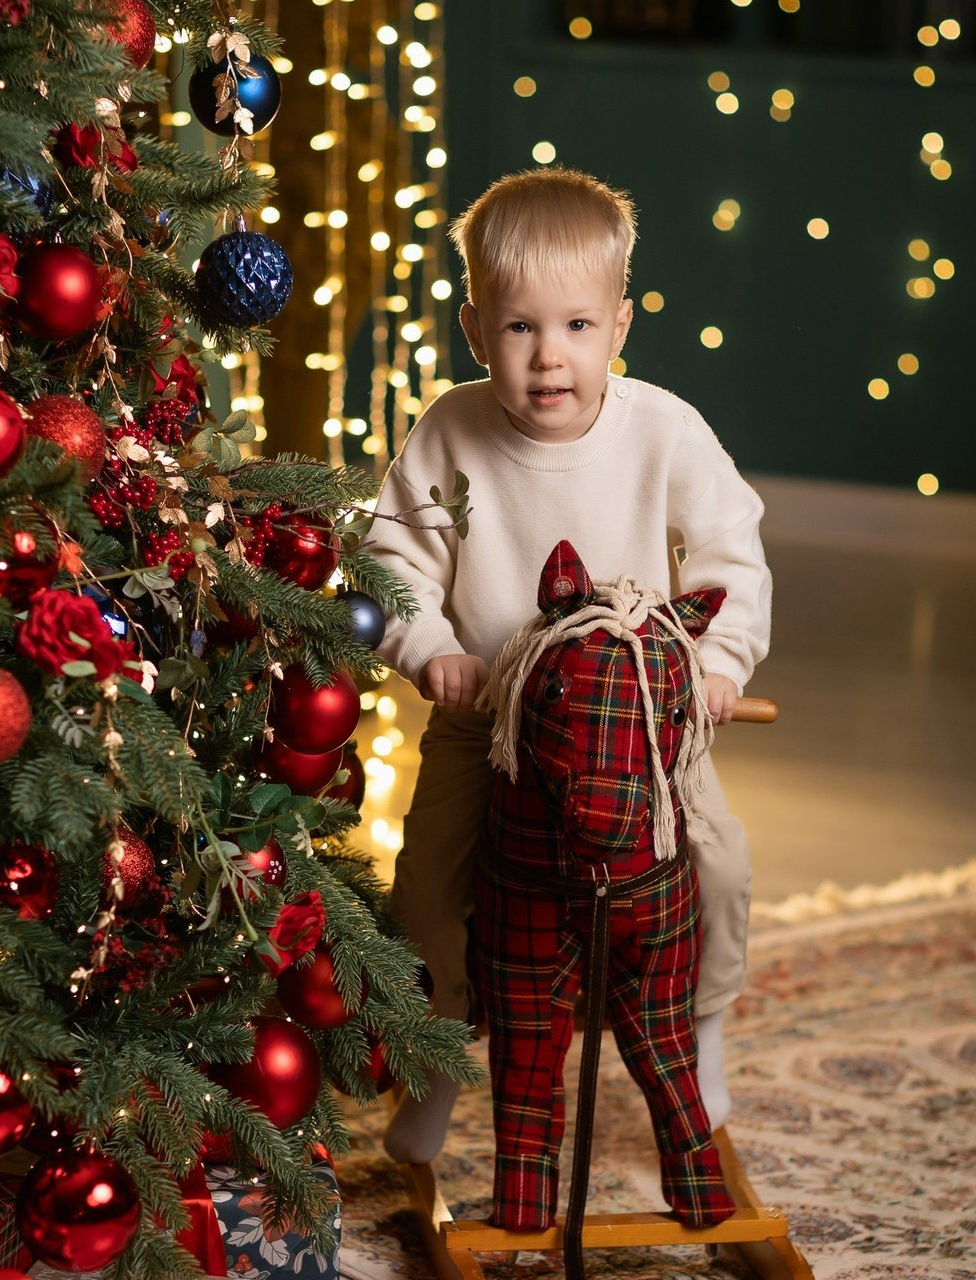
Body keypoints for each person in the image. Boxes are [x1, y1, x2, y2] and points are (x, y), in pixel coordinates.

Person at [368, 166, 772, 1165]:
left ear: (619, 326)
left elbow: (731, 555)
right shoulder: (448, 431)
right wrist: (433, 652)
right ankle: (437, 1050)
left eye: (577, 327)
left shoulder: (663, 431)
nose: (548, 357)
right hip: (489, 717)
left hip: (637, 726)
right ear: (474, 330)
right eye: (518, 329)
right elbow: (389, 559)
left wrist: (715, 663)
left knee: (716, 862)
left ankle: (696, 1025)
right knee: (427, 880)